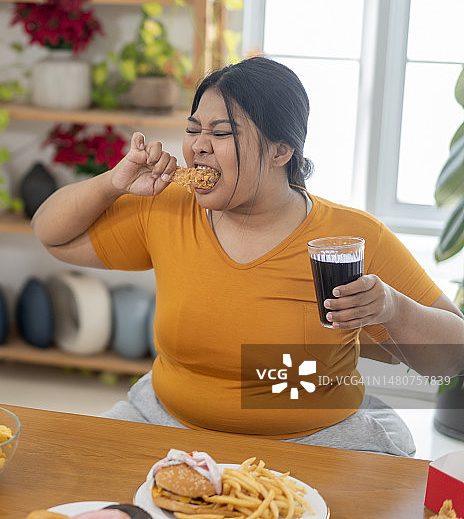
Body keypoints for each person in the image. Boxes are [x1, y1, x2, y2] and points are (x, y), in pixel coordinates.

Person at [30, 56, 464, 457]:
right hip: (165, 423)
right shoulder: (167, 206)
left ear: (281, 151)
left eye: (221, 133)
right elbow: (51, 235)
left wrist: (391, 307)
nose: (198, 146)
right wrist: (113, 182)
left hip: (316, 439)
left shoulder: (352, 236)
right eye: (193, 128)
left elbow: (452, 356)